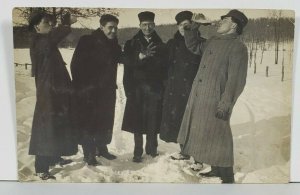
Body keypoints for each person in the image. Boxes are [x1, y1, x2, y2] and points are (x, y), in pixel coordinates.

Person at [177, 9, 249, 183]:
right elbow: (193, 45)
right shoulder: (212, 42)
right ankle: (216, 169)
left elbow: (236, 81)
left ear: (234, 26)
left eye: (225, 20)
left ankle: (227, 176)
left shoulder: (238, 47)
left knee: (220, 135)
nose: (220, 21)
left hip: (216, 99)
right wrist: (196, 26)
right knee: (208, 135)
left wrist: (225, 104)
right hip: (200, 96)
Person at [28, 12, 78, 180]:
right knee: (45, 128)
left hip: (56, 91)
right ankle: (41, 167)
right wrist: (65, 24)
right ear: (37, 26)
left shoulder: (45, 41)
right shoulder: (39, 41)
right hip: (47, 93)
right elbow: (52, 39)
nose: (49, 24)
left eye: (50, 22)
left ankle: (55, 157)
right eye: (46, 22)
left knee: (57, 124)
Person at [70, 14, 122, 165]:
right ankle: (89, 154)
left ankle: (102, 148)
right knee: (89, 123)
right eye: (110, 27)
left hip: (106, 92)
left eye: (115, 28)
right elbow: (75, 65)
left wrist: (138, 56)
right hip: (89, 92)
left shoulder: (113, 43)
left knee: (105, 121)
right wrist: (86, 87)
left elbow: (122, 57)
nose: (113, 31)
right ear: (101, 27)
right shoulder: (87, 41)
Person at [159, 11, 205, 165]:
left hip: (194, 90)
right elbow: (162, 65)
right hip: (175, 90)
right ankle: (184, 151)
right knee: (179, 122)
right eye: (181, 26)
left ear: (193, 26)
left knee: (196, 124)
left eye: (187, 25)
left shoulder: (202, 44)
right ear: (177, 27)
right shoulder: (171, 44)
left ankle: (199, 157)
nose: (184, 29)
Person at [122, 11, 167, 163]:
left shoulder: (161, 45)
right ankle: (137, 151)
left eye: (150, 25)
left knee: (153, 119)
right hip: (137, 90)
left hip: (154, 89)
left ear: (154, 25)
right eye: (144, 25)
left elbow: (164, 70)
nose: (147, 28)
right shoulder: (131, 43)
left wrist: (163, 89)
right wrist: (139, 57)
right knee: (137, 121)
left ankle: (152, 149)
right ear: (139, 25)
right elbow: (127, 66)